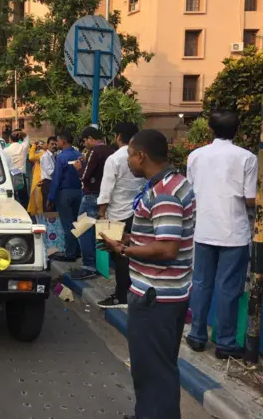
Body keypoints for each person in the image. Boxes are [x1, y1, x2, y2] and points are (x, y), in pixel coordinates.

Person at [98, 129, 195, 419]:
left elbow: (167, 249)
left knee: (153, 368)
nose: (127, 161)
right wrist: (129, 238)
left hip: (156, 297)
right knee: (155, 366)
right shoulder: (171, 184)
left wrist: (123, 250)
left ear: (141, 156)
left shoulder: (165, 192)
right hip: (164, 294)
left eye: (129, 155)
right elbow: (159, 236)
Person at [186, 111, 256, 360]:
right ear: (237, 131)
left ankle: (197, 335)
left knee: (202, 282)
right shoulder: (247, 158)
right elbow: (249, 199)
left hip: (204, 228)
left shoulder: (195, 156)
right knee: (229, 288)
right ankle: (225, 343)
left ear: (210, 130)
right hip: (233, 232)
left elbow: (191, 191)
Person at [96, 123, 145, 309]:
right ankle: (132, 292)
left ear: (118, 137)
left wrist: (101, 214)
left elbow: (106, 189)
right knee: (135, 253)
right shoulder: (142, 156)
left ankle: (122, 295)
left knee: (120, 256)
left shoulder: (114, 158)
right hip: (138, 212)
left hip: (118, 214)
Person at [70, 126, 115, 280]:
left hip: (91, 196)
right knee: (103, 232)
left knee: (83, 229)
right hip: (106, 197)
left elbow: (85, 176)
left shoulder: (94, 151)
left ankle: (89, 265)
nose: (84, 145)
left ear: (90, 138)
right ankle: (104, 265)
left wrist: (78, 168)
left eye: (84, 141)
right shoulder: (111, 151)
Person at [48, 131, 83, 262]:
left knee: (68, 224)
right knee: (76, 223)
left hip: (64, 194)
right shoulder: (79, 155)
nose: (56, 143)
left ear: (63, 141)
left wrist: (51, 197)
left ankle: (70, 253)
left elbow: (56, 179)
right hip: (78, 192)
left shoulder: (61, 157)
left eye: (58, 141)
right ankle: (77, 250)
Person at [4, 130, 31, 207]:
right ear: (19, 138)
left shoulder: (5, 150)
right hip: (21, 177)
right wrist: (22, 133)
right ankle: (25, 214)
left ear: (10, 139)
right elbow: (26, 137)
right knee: (24, 199)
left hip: (10, 176)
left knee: (11, 198)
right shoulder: (23, 147)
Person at [27, 140, 46, 215]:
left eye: (43, 143)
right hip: (41, 181)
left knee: (38, 204)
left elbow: (31, 157)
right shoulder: (44, 154)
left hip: (39, 182)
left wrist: (34, 145)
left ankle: (40, 220)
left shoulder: (43, 154)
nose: (41, 145)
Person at [40, 136, 57, 212]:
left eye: (55, 144)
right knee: (48, 207)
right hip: (47, 183)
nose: (54, 146)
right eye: (52, 144)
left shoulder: (53, 155)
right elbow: (50, 172)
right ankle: (47, 223)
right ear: (47, 144)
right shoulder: (46, 156)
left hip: (52, 183)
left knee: (52, 206)